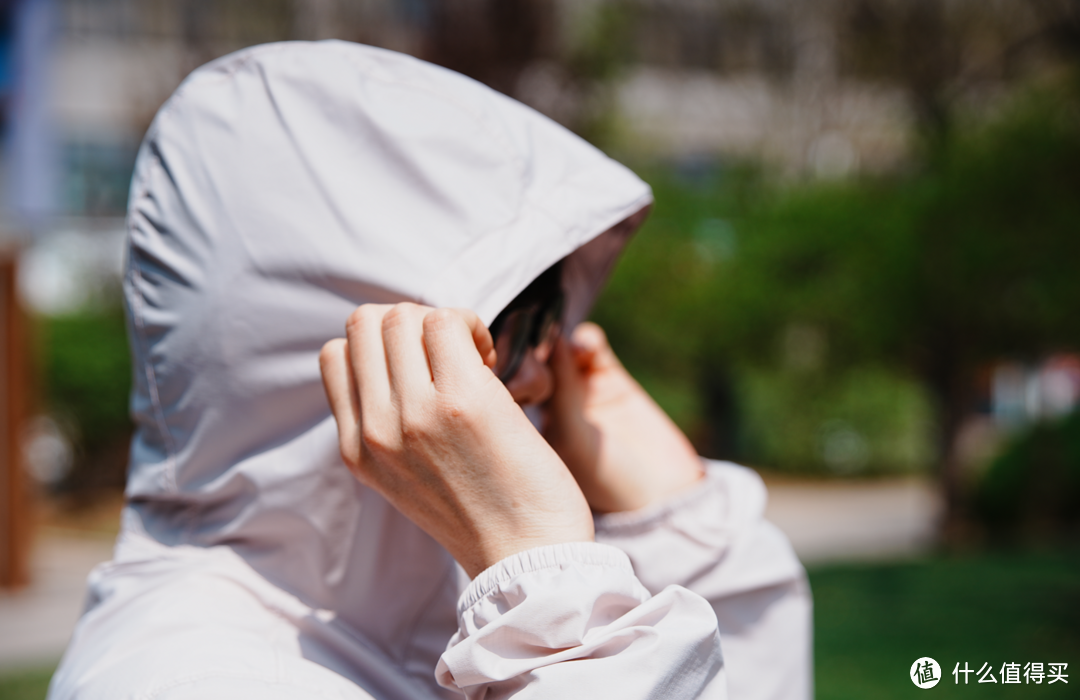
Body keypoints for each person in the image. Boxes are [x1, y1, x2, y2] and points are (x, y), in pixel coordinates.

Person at [48, 41, 811, 700]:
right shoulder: (190, 681)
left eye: (553, 318)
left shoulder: (411, 618)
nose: (547, 378)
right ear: (352, 354)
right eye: (512, 328)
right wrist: (555, 614)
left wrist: (688, 539)